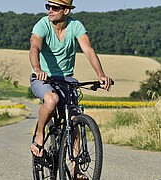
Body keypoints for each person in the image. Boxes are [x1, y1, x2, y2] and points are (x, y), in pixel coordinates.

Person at [29, 0, 113, 179]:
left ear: (66, 10)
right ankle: (39, 134)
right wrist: (37, 69)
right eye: (48, 7)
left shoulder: (76, 26)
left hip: (66, 79)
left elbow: (88, 50)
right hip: (43, 77)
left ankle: (76, 170)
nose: (50, 11)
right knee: (51, 100)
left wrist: (101, 74)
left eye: (55, 8)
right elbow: (34, 46)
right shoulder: (42, 25)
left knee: (74, 119)